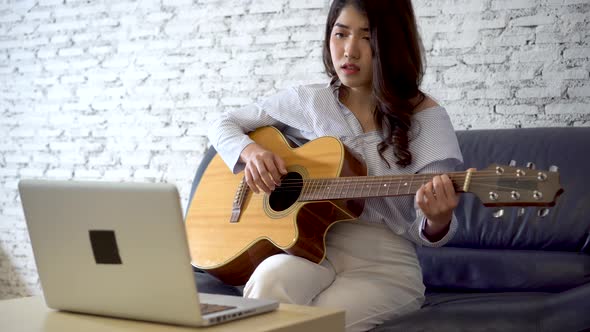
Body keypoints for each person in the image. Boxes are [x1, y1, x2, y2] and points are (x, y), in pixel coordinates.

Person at [207, 0, 463, 331]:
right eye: (340, 34)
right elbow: (223, 124)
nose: (349, 51)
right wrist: (251, 152)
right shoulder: (310, 101)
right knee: (268, 280)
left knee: (311, 324)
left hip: (383, 265)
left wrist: (438, 218)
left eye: (367, 38)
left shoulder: (427, 119)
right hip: (311, 249)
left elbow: (429, 230)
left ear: (392, 44)